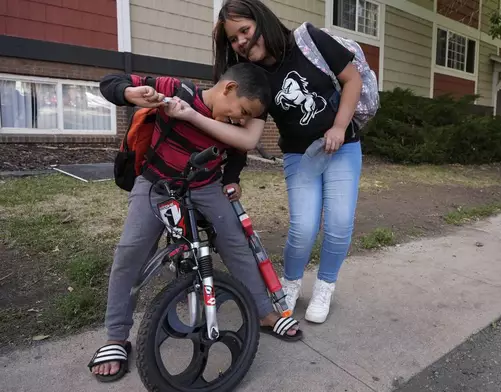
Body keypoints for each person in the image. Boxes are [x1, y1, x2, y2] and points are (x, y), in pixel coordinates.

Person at [88, 63, 302, 384]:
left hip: (205, 185)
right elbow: (110, 81)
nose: (240, 121)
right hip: (157, 182)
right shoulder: (176, 89)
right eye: (241, 111)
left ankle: (264, 312)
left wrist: (231, 178)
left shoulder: (231, 120)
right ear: (228, 88)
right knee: (131, 251)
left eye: (246, 119)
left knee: (236, 243)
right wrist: (131, 93)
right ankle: (116, 337)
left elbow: (237, 151)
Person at [167, 0, 364, 324]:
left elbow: (352, 80)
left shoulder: (309, 40)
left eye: (244, 30)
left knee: (340, 225)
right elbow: (245, 136)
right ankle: (291, 282)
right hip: (300, 155)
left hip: (342, 147)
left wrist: (340, 127)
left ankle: (326, 285)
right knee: (302, 228)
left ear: (262, 21)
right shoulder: (254, 77)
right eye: (233, 39)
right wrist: (228, 169)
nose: (241, 42)